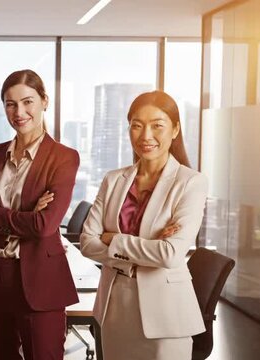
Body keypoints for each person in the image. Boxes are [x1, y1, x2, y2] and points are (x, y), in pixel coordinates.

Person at [0, 69, 80, 360]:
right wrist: (21, 216)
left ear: (44, 101)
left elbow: (44, 225)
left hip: (40, 279)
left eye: (28, 102)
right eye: (10, 104)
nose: (19, 111)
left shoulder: (63, 157)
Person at [80, 90, 206, 359]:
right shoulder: (113, 180)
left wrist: (112, 238)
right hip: (115, 307)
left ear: (175, 130)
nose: (145, 136)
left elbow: (170, 254)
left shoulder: (190, 183)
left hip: (166, 314)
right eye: (137, 126)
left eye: (157, 125)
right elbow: (87, 243)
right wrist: (147, 247)